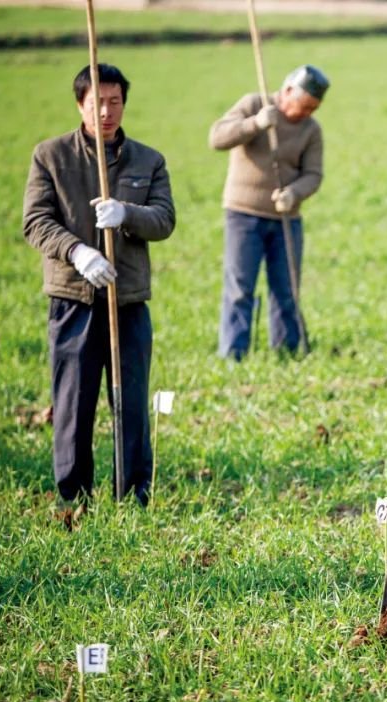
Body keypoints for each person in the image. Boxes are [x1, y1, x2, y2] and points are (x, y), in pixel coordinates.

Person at [23, 64, 175, 519]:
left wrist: (126, 212)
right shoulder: (50, 157)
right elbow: (36, 222)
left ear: (124, 103)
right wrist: (77, 253)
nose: (106, 112)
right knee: (73, 403)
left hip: (127, 300)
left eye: (114, 102)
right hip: (72, 300)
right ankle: (73, 497)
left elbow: (164, 220)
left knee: (129, 403)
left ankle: (133, 497)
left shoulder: (148, 161)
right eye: (96, 103)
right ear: (80, 105)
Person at [209, 64, 329, 359]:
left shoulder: (311, 130)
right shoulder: (254, 103)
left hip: (286, 218)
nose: (306, 114)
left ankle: (288, 351)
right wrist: (255, 124)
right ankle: (233, 353)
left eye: (313, 109)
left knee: (286, 289)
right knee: (239, 289)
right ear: (287, 91)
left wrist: (293, 193)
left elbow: (313, 175)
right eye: (304, 106)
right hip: (243, 214)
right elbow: (217, 138)